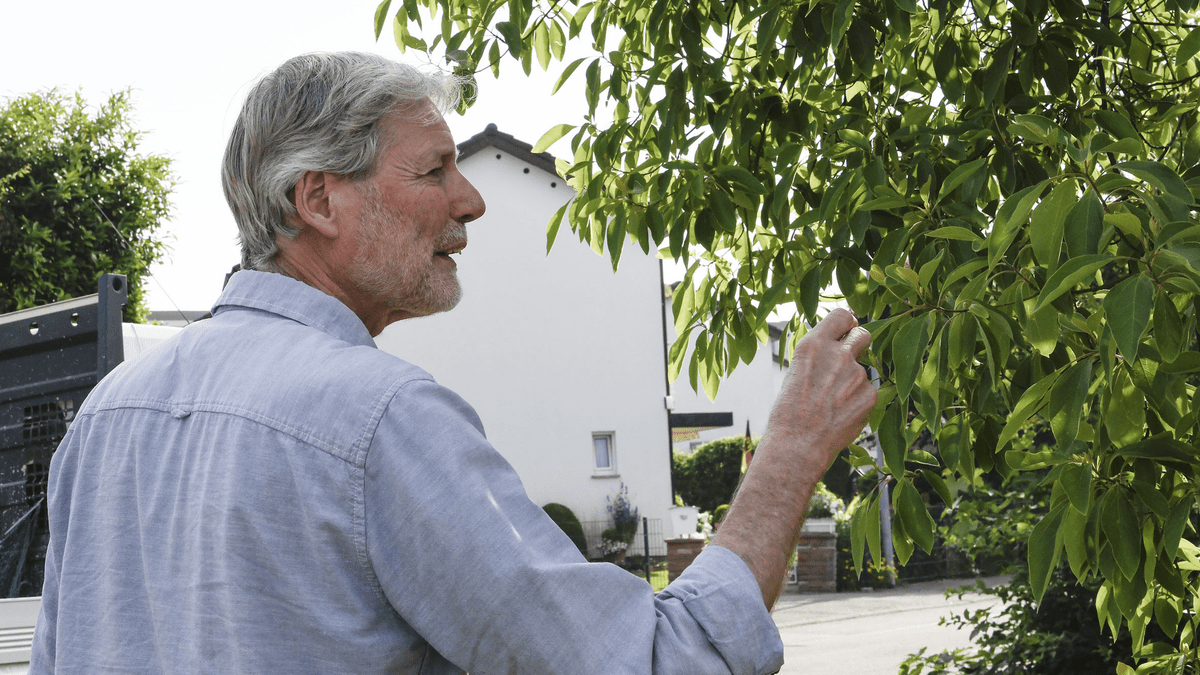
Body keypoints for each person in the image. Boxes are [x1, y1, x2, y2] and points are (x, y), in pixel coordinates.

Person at [30, 52, 876, 674]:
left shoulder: (105, 415)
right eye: (434, 169)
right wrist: (791, 452)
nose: (469, 199)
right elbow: (661, 662)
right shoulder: (378, 417)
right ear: (318, 199)